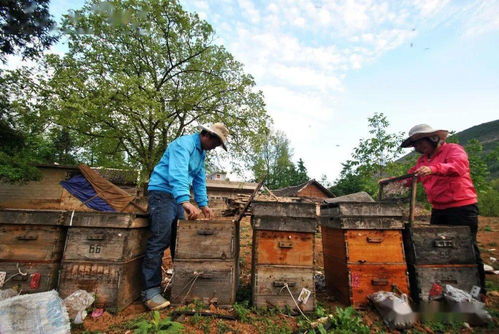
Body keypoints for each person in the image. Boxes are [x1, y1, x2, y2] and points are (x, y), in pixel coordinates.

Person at [142, 122, 229, 310]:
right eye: (216, 143)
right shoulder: (184, 145)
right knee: (159, 240)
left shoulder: (200, 153)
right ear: (208, 135)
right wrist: (184, 200)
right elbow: (178, 173)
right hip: (161, 193)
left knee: (178, 242)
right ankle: (150, 292)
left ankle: (180, 286)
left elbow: (198, 179)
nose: (215, 148)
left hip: (175, 197)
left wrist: (203, 204)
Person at [400, 124, 485, 293]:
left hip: (462, 207)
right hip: (438, 208)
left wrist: (433, 169)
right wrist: (395, 181)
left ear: (432, 138)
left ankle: (479, 290)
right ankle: (447, 287)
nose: (418, 147)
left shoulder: (453, 150)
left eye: (420, 142)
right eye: (415, 144)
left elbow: (458, 167)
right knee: (438, 248)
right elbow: (410, 177)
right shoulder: (422, 160)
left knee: (466, 248)